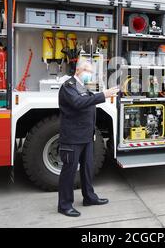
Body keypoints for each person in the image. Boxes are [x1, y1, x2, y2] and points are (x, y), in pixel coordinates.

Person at [57, 60, 119, 217]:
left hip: (86, 136)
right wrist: (103, 95)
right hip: (72, 137)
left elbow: (89, 104)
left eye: (91, 72)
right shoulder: (68, 86)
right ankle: (64, 205)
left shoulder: (84, 86)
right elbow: (78, 103)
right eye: (87, 71)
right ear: (78, 70)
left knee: (87, 169)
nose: (89, 74)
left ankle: (89, 197)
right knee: (69, 172)